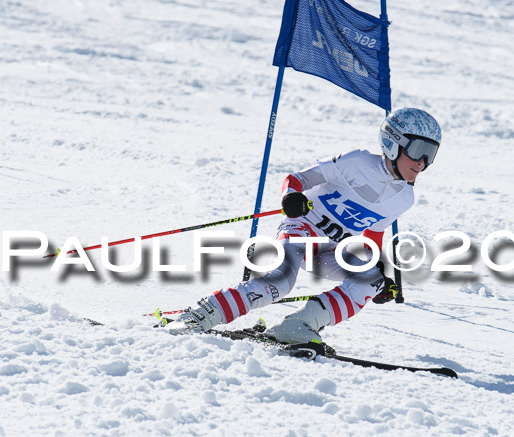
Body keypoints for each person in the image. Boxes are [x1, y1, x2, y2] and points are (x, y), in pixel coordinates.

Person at [166, 108, 442, 344]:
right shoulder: (357, 162)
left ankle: (298, 326)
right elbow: (297, 178)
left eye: (431, 154)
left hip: (331, 250)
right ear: (393, 142)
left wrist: (377, 270)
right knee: (281, 283)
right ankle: (198, 316)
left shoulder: (405, 198)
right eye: (418, 150)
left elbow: (374, 234)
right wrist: (291, 197)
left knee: (369, 280)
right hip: (301, 229)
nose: (422, 162)